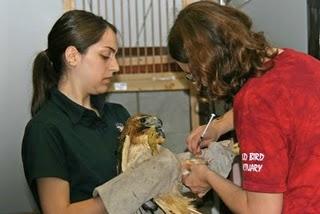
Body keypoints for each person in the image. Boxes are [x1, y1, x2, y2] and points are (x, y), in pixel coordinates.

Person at [168, 1, 320, 213]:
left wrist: (208, 177)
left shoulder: (254, 102)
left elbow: (262, 211)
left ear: (207, 65)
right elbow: (278, 111)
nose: (198, 84)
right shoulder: (301, 62)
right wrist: (219, 126)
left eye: (192, 75)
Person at [22, 10, 179, 214]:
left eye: (115, 56)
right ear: (72, 56)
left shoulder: (117, 114)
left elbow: (147, 175)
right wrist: (126, 193)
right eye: (105, 55)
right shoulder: (46, 129)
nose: (115, 66)